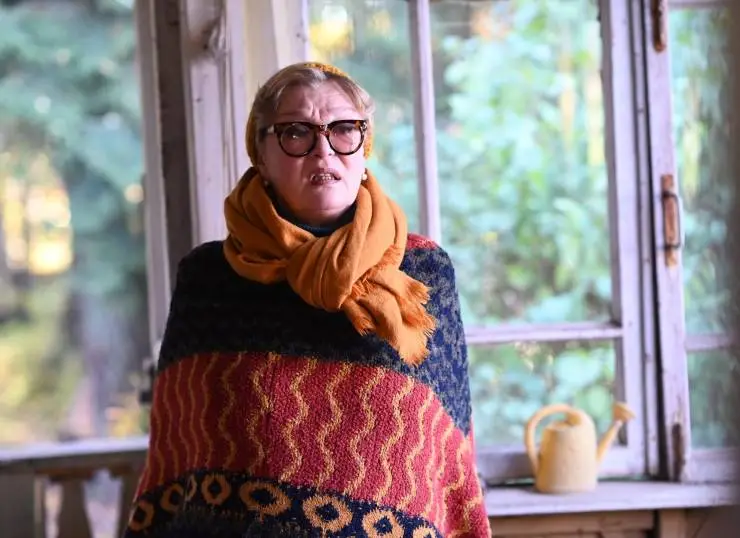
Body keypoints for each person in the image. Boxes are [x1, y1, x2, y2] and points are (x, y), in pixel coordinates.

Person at [123, 61, 491, 538]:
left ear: (364, 148)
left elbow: (448, 455)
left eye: (344, 130)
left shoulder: (422, 270)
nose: (324, 150)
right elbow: (179, 449)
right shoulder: (209, 278)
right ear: (260, 154)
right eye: (296, 132)